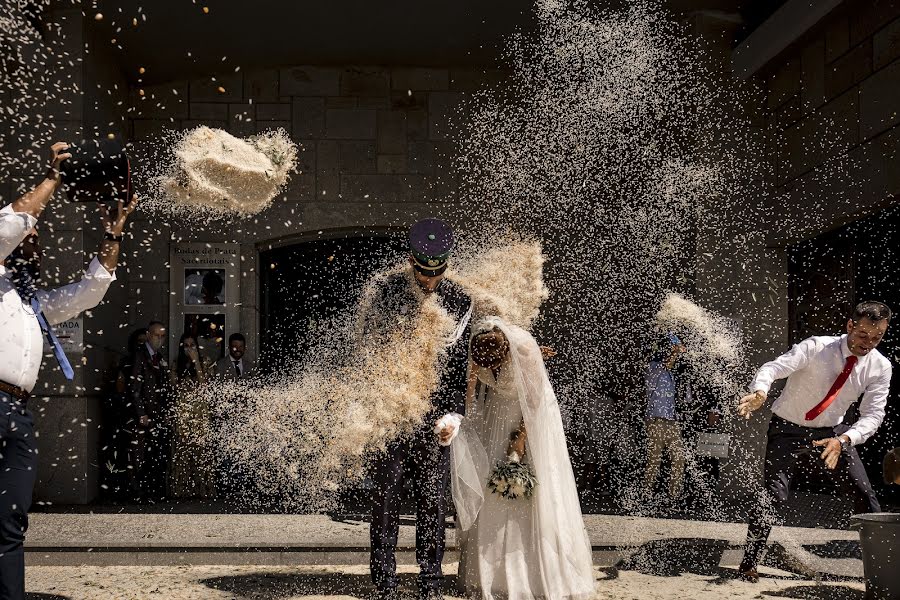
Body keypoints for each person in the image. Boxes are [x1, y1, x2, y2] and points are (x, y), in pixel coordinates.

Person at [0, 141, 137, 599]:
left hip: (17, 416)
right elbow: (9, 224)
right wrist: (54, 180)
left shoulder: (33, 303)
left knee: (10, 519)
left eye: (35, 242)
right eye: (29, 241)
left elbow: (89, 292)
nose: (32, 245)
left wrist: (114, 233)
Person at [736, 301, 893, 582]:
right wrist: (760, 393)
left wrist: (844, 439)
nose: (868, 343)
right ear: (850, 326)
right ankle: (748, 563)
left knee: (865, 495)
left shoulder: (880, 366)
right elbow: (773, 368)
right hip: (788, 430)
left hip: (834, 432)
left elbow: (873, 415)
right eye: (862, 335)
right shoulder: (816, 347)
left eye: (876, 337)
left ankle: (885, 570)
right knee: (774, 495)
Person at [364, 218, 472, 600]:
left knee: (433, 503)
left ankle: (430, 582)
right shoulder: (387, 293)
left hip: (435, 418)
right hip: (393, 415)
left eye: (437, 273)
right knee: (385, 499)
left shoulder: (460, 300)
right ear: (411, 260)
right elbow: (369, 356)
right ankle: (384, 582)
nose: (429, 281)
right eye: (423, 273)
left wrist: (454, 414)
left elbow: (460, 367)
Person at [453, 318, 595, 599]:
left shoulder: (526, 351)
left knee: (530, 487)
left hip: (529, 413)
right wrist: (465, 422)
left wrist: (519, 441)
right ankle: (489, 572)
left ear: (505, 351)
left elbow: (534, 401)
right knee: (489, 482)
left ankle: (535, 573)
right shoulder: (478, 346)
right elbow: (470, 391)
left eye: (495, 365)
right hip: (495, 414)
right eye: (486, 366)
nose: (490, 370)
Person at [128, 320, 173, 503]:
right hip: (145, 415)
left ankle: (154, 492)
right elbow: (134, 387)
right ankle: (139, 493)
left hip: (158, 414)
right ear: (148, 335)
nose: (159, 339)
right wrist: (141, 414)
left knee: (155, 454)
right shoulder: (139, 355)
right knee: (140, 455)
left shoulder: (159, 357)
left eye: (162, 336)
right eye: (156, 335)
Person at [100, 327, 147, 500]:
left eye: (145, 342)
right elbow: (120, 387)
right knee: (130, 455)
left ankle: (142, 489)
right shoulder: (127, 363)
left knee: (143, 455)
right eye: (139, 342)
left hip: (147, 416)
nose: (142, 346)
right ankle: (131, 490)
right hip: (129, 415)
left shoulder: (152, 362)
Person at [642, 335, 690, 501]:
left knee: (678, 458)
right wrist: (676, 351)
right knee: (654, 460)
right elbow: (667, 363)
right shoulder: (653, 367)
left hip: (671, 420)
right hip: (656, 420)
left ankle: (673, 495)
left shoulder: (670, 373)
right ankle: (647, 494)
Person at [169, 333, 216, 499]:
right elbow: (174, 386)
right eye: (186, 345)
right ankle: (182, 491)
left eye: (192, 345)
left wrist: (196, 363)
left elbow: (205, 387)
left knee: (201, 450)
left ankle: (203, 490)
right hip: (183, 410)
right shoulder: (176, 364)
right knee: (183, 450)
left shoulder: (206, 362)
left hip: (201, 411)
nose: (189, 348)